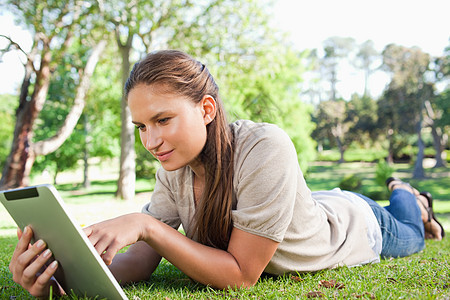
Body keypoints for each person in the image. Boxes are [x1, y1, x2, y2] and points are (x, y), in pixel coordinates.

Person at [8, 50, 445, 298]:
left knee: (410, 227)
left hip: (361, 226)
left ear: (207, 109)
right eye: (142, 126)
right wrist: (59, 273)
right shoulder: (173, 168)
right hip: (314, 205)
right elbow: (144, 259)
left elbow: (240, 274)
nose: (151, 140)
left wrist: (143, 225)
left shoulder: (265, 146)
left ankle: (409, 193)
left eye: (163, 120)